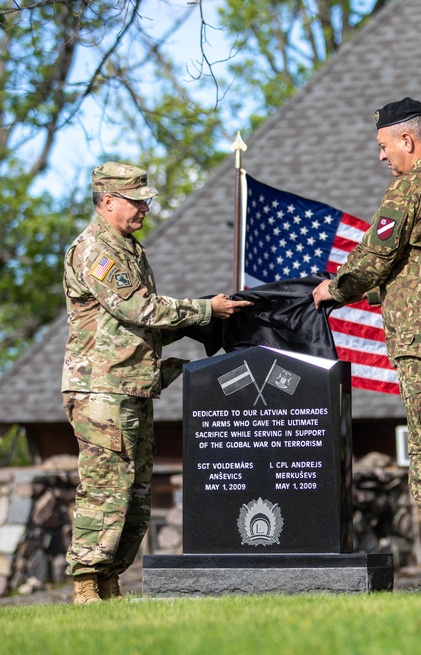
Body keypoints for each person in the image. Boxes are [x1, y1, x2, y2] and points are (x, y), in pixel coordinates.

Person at [313, 98, 421, 591]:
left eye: (384, 145)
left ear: (408, 140)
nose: (382, 156)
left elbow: (375, 254)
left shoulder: (413, 186)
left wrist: (333, 288)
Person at [61, 162, 250, 604]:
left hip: (133, 387)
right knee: (106, 485)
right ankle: (87, 581)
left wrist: (204, 317)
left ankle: (110, 581)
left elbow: (147, 326)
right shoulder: (96, 251)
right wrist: (204, 311)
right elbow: (139, 310)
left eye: (146, 199)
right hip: (102, 390)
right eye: (136, 199)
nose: (145, 207)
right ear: (108, 202)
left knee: (136, 491)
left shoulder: (131, 250)